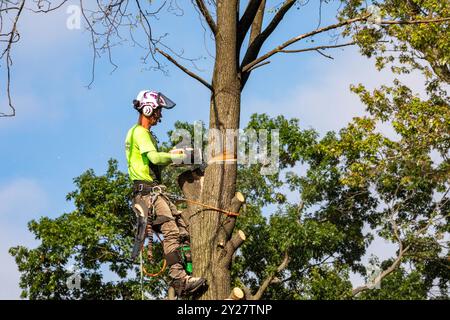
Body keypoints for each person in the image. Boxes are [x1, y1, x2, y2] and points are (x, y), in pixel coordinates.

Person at [125, 90, 206, 297]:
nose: (160, 115)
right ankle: (179, 279)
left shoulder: (145, 134)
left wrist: (181, 156)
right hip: (148, 193)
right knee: (171, 230)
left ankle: (188, 273)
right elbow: (155, 158)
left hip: (155, 192)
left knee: (183, 230)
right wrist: (176, 156)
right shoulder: (139, 132)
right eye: (158, 110)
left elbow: (157, 159)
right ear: (148, 108)